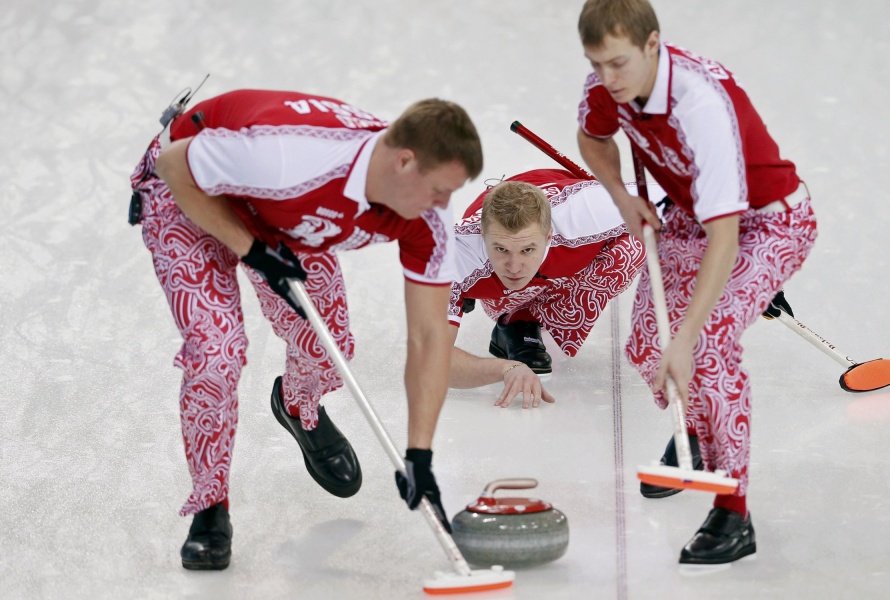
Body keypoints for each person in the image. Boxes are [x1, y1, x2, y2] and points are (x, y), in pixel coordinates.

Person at [128, 89, 482, 570]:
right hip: (186, 190)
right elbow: (175, 165)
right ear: (404, 162)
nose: (444, 204)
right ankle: (211, 509)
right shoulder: (291, 156)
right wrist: (250, 249)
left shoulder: (427, 220)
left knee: (326, 344)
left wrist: (420, 453)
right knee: (217, 352)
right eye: (440, 189)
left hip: (284, 213)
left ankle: (297, 405)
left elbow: (428, 337)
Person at [576, 0, 818, 566]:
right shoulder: (603, 83)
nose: (607, 79)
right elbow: (593, 138)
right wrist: (622, 194)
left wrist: (688, 338)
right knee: (646, 344)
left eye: (618, 64)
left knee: (703, 348)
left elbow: (727, 237)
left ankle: (734, 516)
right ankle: (701, 437)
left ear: (653, 44)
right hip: (688, 212)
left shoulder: (700, 105)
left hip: (769, 220)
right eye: (596, 64)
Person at [446, 169, 648, 408]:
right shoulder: (452, 260)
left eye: (527, 250)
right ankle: (493, 304)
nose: (514, 266)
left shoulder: (589, 215)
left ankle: (525, 321)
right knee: (470, 285)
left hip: (573, 223)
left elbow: (688, 204)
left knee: (635, 246)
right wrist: (506, 368)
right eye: (501, 249)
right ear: (483, 235)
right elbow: (430, 362)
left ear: (549, 235)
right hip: (486, 280)